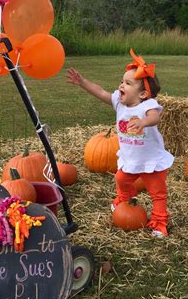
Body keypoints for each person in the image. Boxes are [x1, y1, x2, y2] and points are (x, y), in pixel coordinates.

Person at [66, 48, 174, 237]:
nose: (121, 85)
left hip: (150, 161)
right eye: (122, 81)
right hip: (131, 158)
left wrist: (143, 122)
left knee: (157, 192)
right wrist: (82, 82)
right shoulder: (119, 102)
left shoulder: (147, 106)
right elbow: (100, 92)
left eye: (128, 83)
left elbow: (155, 118)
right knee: (121, 179)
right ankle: (125, 200)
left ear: (142, 94)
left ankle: (159, 222)